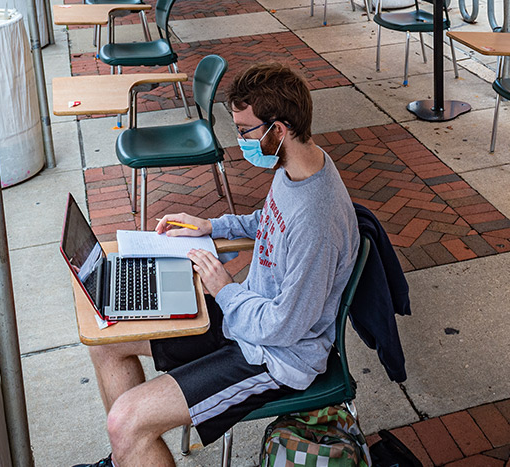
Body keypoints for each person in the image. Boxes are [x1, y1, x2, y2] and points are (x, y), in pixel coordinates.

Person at [75, 63, 359, 467]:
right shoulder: (299, 166)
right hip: (243, 316)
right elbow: (270, 219)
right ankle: (132, 454)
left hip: (275, 356)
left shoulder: (319, 221)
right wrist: (212, 225)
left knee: (125, 421)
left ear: (277, 130)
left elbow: (285, 326)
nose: (239, 140)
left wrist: (224, 288)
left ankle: (131, 442)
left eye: (244, 130)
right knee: (108, 343)